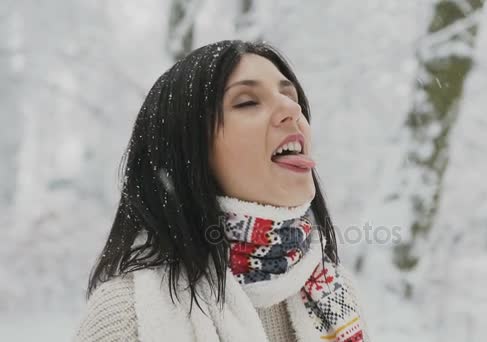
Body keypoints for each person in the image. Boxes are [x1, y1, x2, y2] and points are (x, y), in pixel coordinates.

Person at [75, 40, 369, 342]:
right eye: (247, 102)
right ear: (186, 151)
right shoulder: (125, 315)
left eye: (289, 95)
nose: (292, 109)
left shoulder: (335, 295)